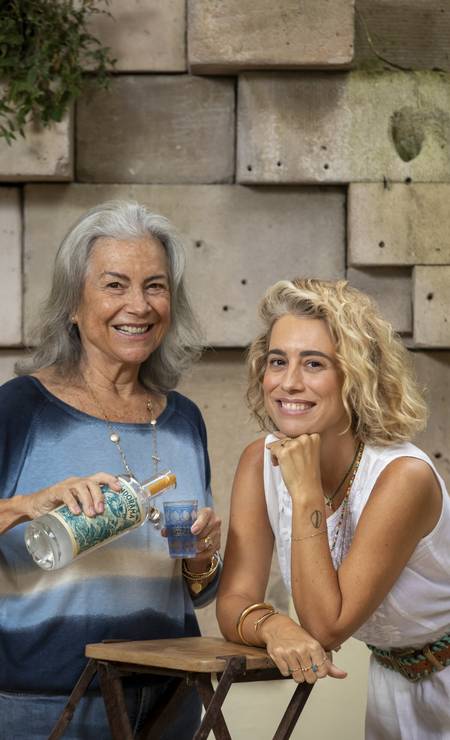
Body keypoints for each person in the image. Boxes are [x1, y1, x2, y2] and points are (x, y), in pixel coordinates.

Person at [0, 201, 221, 740]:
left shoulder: (183, 418)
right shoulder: (21, 410)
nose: (139, 305)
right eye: (115, 285)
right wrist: (26, 505)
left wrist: (203, 559)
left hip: (172, 693)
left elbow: (192, 589)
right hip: (46, 697)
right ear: (74, 304)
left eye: (155, 286)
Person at [217, 278, 450, 739]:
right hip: (395, 676)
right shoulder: (257, 461)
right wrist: (274, 626)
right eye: (278, 361)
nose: (288, 382)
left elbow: (326, 627)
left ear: (354, 375)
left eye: (314, 364)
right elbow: (233, 600)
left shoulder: (404, 477)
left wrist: (305, 493)